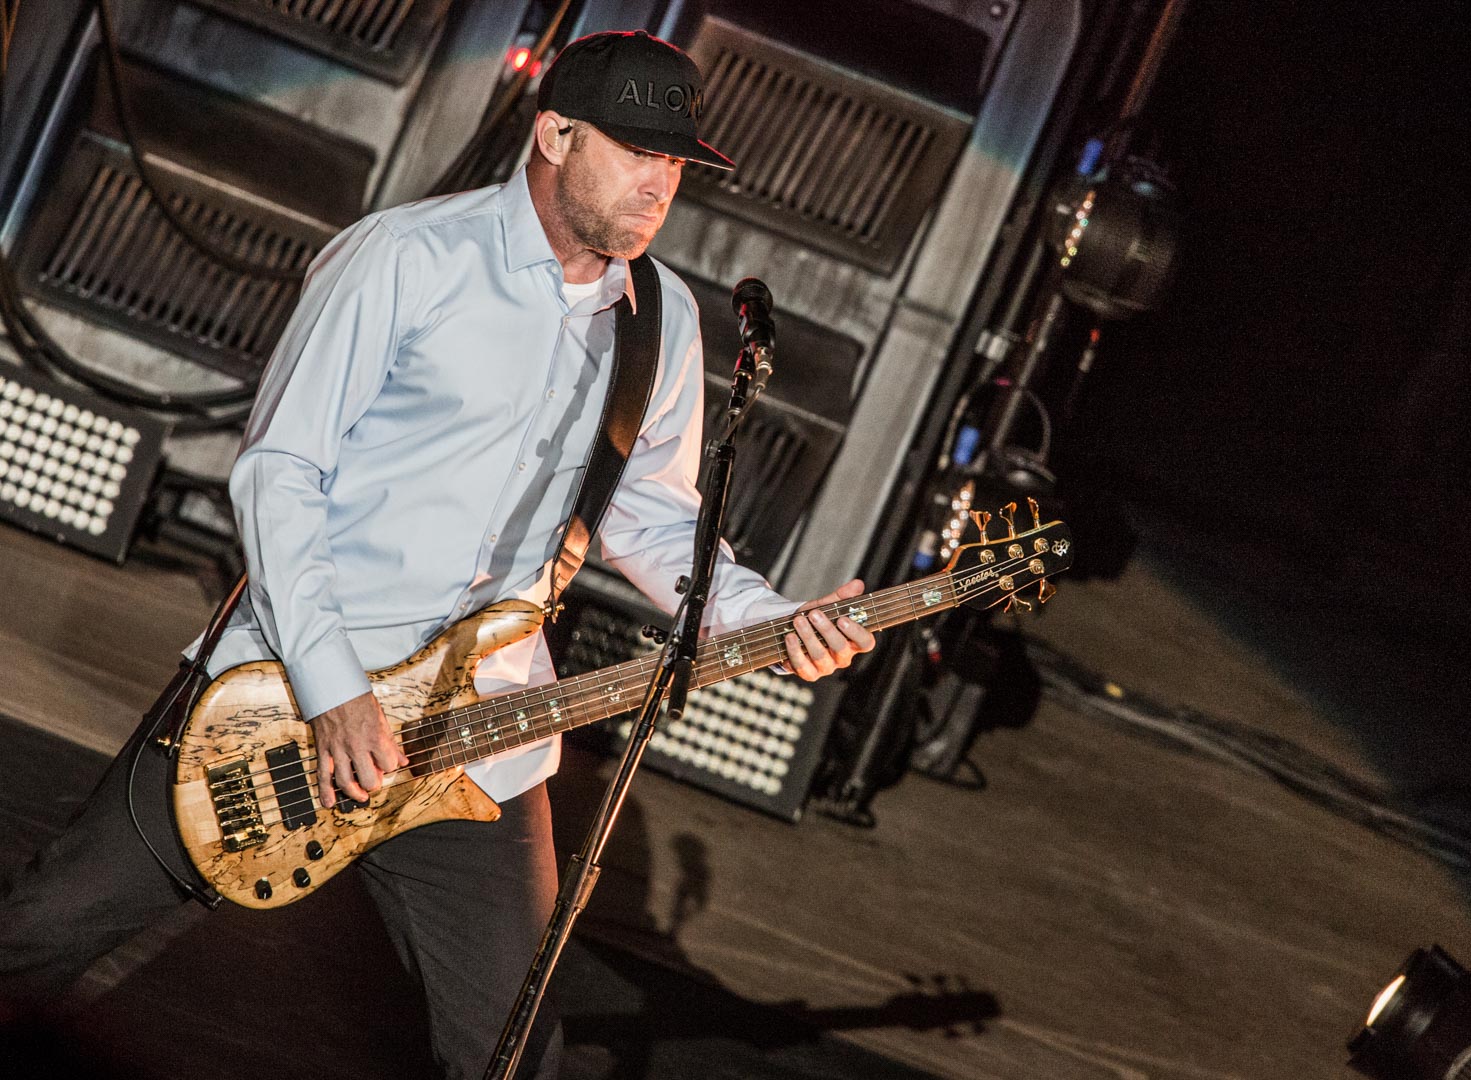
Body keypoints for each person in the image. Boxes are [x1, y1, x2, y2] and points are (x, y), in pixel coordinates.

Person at [0, 29, 876, 1079]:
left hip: (478, 735)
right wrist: (332, 687)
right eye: (636, 152)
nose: (659, 185)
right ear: (555, 135)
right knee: (42, 931)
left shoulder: (663, 322)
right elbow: (279, 470)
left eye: (676, 163)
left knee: (511, 1054)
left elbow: (649, 515)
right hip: (284, 692)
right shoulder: (405, 257)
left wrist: (765, 619)